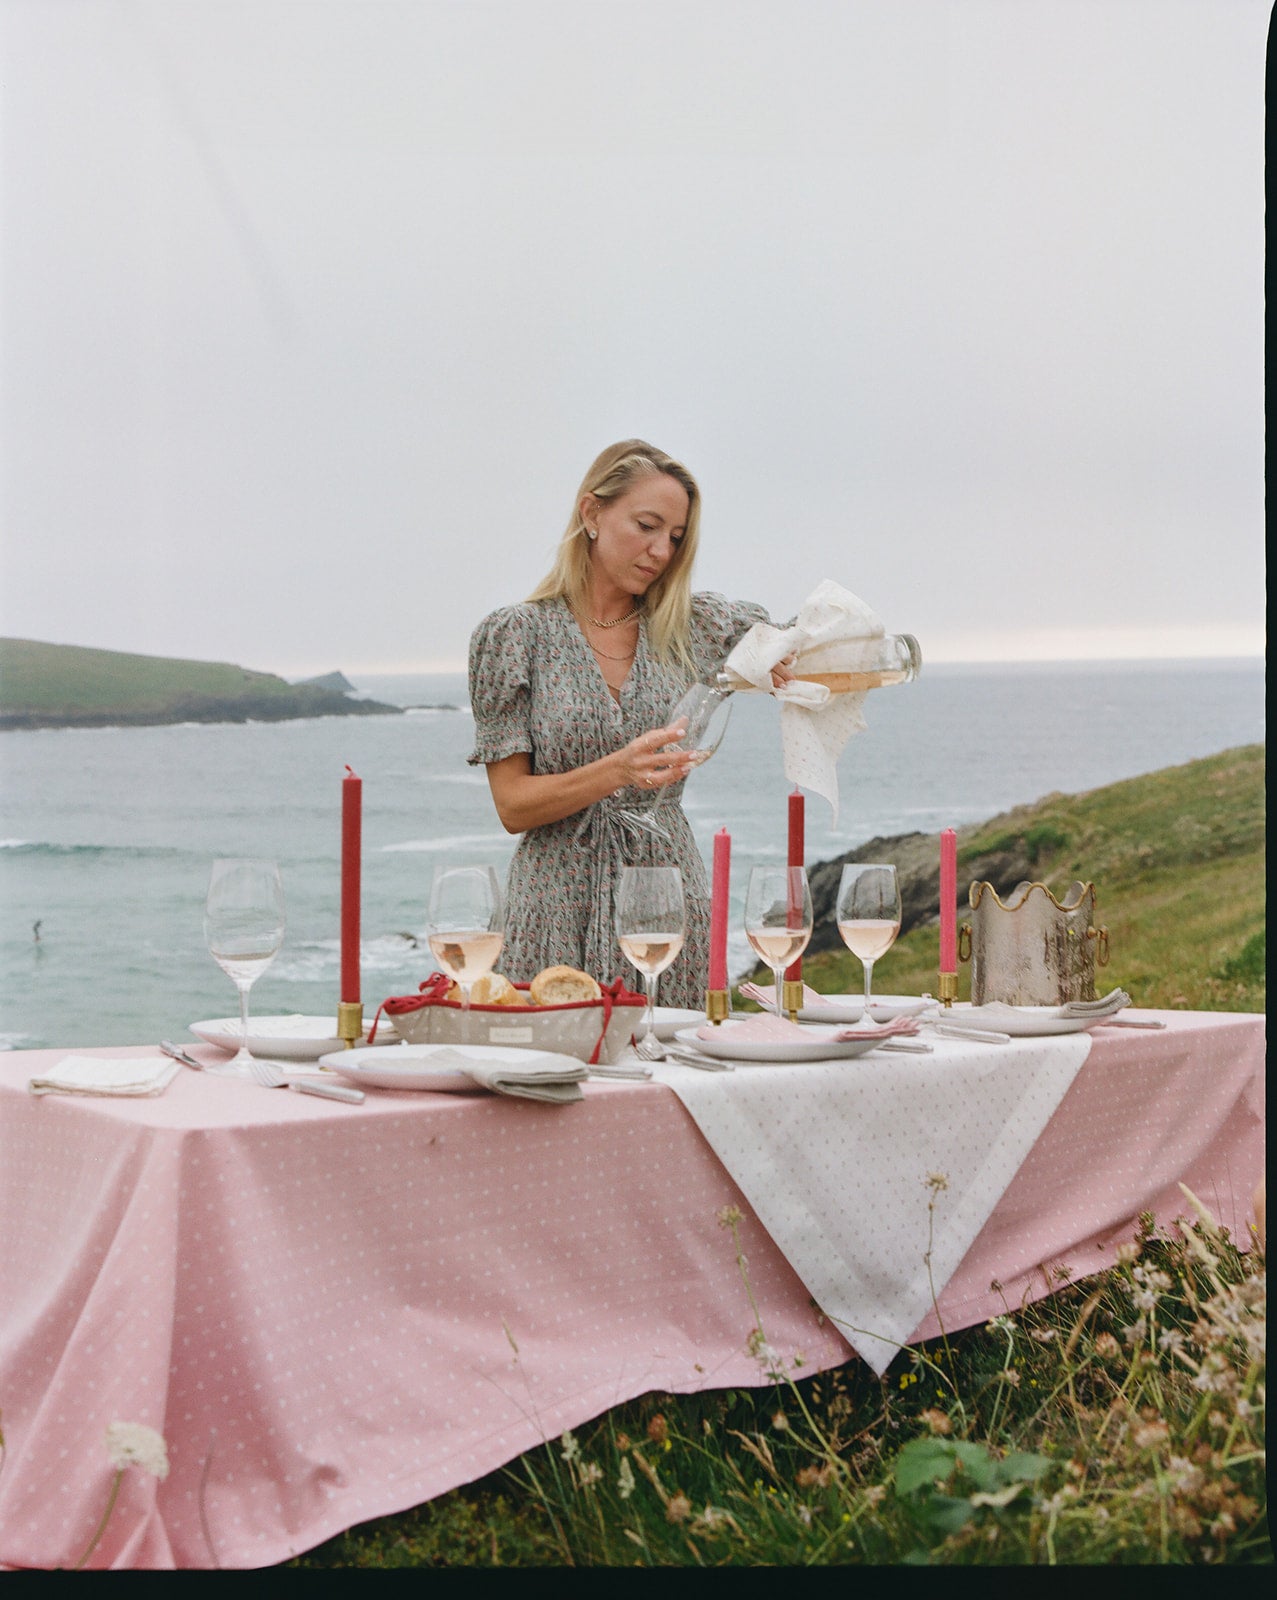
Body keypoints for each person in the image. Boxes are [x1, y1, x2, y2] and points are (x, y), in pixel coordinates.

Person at [467, 439, 789, 1007]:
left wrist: (789, 656)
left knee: (668, 1072)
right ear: (592, 513)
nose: (661, 550)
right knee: (550, 1076)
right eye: (647, 525)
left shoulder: (695, 627)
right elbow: (512, 805)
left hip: (666, 902)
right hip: (554, 904)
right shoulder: (516, 637)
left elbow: (794, 644)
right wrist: (619, 770)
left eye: (675, 537)